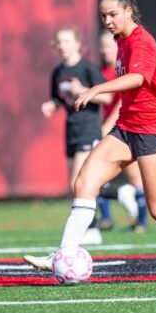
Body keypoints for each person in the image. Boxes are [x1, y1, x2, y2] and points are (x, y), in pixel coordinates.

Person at [26, 0, 156, 281]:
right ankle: (64, 252)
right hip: (127, 128)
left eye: (113, 14)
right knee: (85, 182)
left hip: (155, 130)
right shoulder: (121, 41)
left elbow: (138, 78)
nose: (108, 21)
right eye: (103, 16)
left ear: (129, 11)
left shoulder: (141, 41)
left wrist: (96, 88)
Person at [41, 26, 112, 245]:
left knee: (78, 182)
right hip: (70, 130)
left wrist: (84, 90)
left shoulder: (87, 69)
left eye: (67, 41)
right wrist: (51, 105)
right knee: (75, 183)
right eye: (60, 42)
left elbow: (107, 98)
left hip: (88, 127)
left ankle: (91, 227)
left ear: (78, 44)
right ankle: (120, 198)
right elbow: (59, 99)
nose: (63, 46)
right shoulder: (58, 73)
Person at [95, 29, 149, 233]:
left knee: (136, 177)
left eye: (109, 45)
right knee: (99, 176)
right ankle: (107, 219)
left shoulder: (123, 71)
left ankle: (141, 223)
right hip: (112, 129)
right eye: (102, 46)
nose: (105, 50)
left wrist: (106, 126)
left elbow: (121, 103)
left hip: (126, 128)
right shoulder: (101, 72)